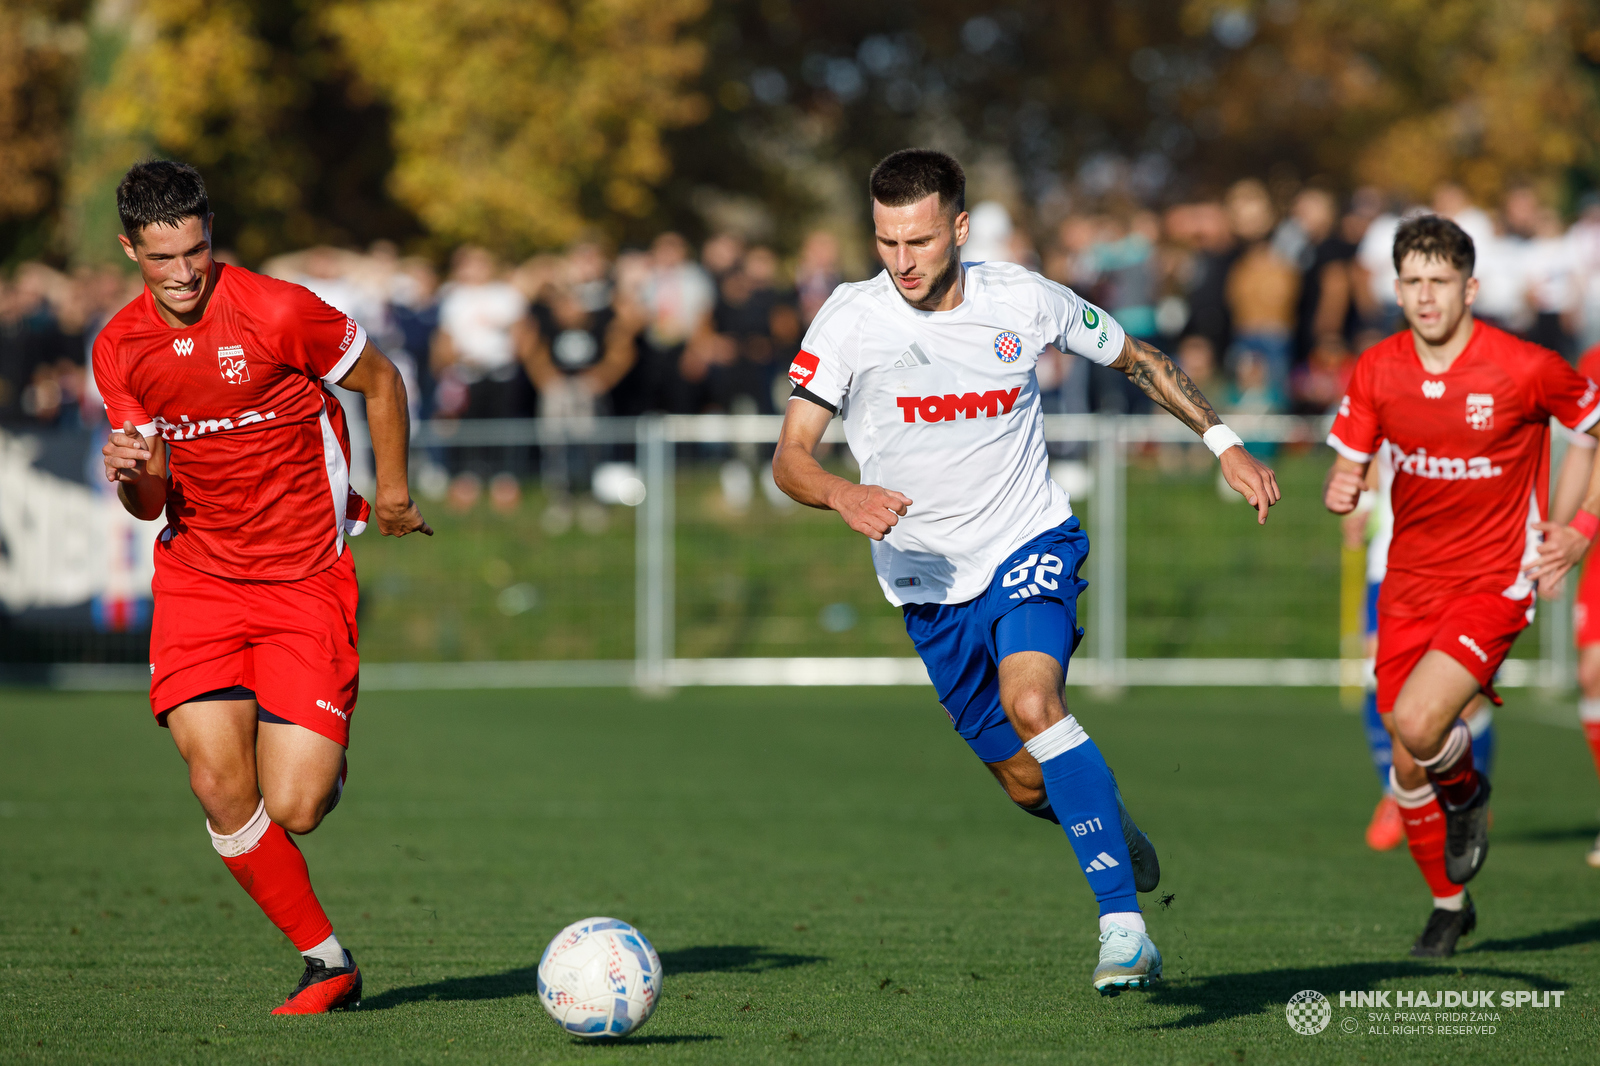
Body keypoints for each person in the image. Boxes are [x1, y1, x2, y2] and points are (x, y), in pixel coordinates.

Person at [772, 149, 1281, 995]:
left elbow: (1139, 359)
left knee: (1034, 701)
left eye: (921, 241)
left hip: (1027, 539)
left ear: (960, 229)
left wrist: (1222, 442)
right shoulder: (849, 319)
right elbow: (790, 456)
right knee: (1021, 781)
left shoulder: (1025, 298)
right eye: (886, 242)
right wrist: (838, 493)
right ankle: (1109, 824)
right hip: (927, 585)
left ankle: (1123, 927)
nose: (901, 262)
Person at [94, 161, 432, 1013]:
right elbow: (147, 506)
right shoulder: (119, 347)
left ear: (212, 234)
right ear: (129, 248)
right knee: (217, 783)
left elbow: (381, 380)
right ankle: (328, 963)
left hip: (305, 578)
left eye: (197, 252)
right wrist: (136, 472)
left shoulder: (279, 310)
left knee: (298, 803)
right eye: (162, 259)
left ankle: (321, 755)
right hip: (200, 581)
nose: (183, 274)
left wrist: (390, 495)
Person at [1323, 214, 1600, 957]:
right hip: (1408, 580)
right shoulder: (1378, 367)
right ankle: (1450, 905)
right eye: (1411, 281)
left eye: (1439, 281)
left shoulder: (1525, 366)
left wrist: (1579, 526)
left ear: (1470, 287)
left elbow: (1594, 430)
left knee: (1416, 726)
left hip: (1493, 578)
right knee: (1408, 762)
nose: (1424, 296)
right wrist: (1345, 483)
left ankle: (1469, 794)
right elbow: (1352, 456)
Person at [1546, 339, 1600, 867]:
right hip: (1599, 538)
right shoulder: (1594, 361)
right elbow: (1586, 451)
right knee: (1593, 673)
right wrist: (1558, 534)